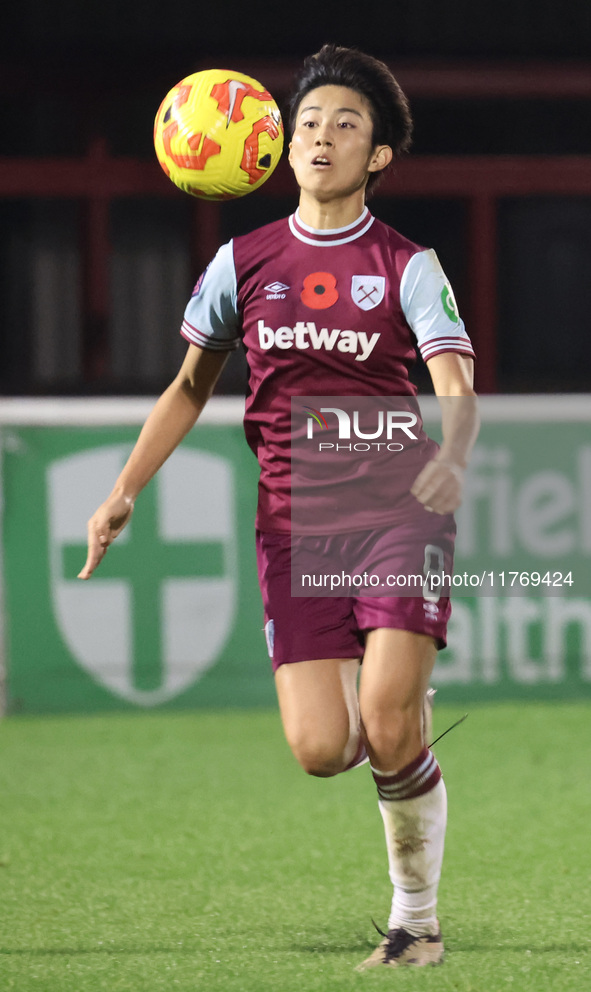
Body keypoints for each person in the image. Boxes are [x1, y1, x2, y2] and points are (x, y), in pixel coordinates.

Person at [79, 44, 479, 970]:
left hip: (397, 507)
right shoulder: (242, 261)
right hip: (294, 520)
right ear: (277, 144)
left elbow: (453, 378)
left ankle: (415, 924)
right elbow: (187, 385)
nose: (322, 137)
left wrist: (453, 454)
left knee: (384, 715)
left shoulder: (406, 264)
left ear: (378, 155)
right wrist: (123, 490)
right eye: (308, 123)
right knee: (321, 748)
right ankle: (403, 709)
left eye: (346, 124)